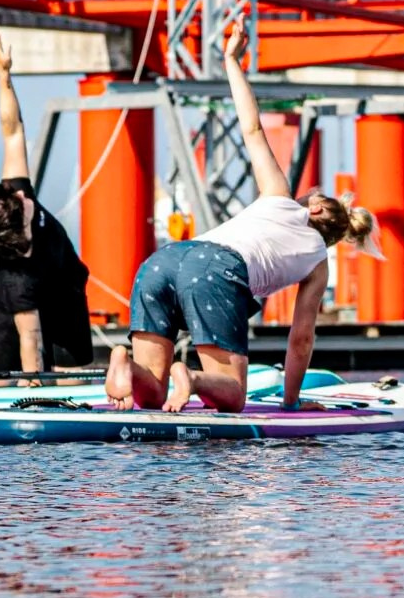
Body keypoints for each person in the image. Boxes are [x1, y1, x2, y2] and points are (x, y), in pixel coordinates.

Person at [114, 25, 376, 413]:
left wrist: (232, 61)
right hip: (215, 270)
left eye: (309, 195)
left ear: (316, 209)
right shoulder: (318, 264)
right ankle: (192, 378)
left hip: (165, 259)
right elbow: (301, 338)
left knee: (150, 392)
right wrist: (291, 402)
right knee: (234, 395)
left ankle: (123, 362)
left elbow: (252, 129)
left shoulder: (278, 196)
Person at [0, 31, 94, 376]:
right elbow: (31, 338)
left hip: (66, 292)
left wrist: (4, 76)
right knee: (1, 380)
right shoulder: (18, 279)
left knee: (72, 379)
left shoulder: (16, 195)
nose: (26, 198)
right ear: (20, 238)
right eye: (23, 209)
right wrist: (33, 389)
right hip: (14, 308)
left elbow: (12, 130)